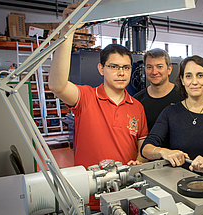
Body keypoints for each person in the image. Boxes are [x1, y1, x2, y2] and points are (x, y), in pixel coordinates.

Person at [49, 2, 148, 211]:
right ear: (101, 68)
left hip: (127, 192)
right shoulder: (85, 97)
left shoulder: (137, 106)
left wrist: (139, 161)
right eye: (114, 67)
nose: (121, 73)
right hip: (89, 195)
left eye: (126, 67)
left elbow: (142, 144)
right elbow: (57, 86)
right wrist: (68, 30)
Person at [141, 55, 203, 174]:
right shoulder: (170, 112)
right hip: (175, 182)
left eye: (200, 75)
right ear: (182, 80)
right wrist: (163, 152)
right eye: (188, 76)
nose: (194, 82)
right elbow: (146, 148)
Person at [134, 48, 183, 132]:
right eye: (149, 67)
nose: (154, 72)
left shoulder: (183, 97)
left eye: (159, 67)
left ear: (169, 69)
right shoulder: (137, 101)